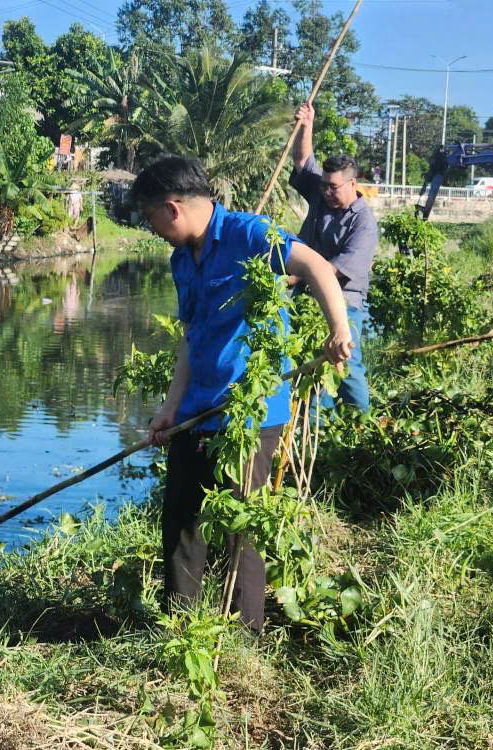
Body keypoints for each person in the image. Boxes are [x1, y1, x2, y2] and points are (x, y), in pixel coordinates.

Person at [138, 156, 353, 632]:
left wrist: (338, 327)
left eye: (150, 218)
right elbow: (191, 339)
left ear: (172, 209)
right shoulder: (181, 260)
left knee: (241, 528)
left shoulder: (248, 235)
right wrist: (170, 408)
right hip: (198, 413)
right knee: (181, 521)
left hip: (250, 413)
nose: (151, 229)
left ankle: (244, 640)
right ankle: (182, 629)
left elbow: (315, 266)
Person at [289, 101, 378, 413]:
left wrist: (296, 275)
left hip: (344, 299)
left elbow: (332, 271)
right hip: (308, 293)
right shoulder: (321, 192)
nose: (326, 192)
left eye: (334, 187)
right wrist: (307, 124)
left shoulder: (363, 222)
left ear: (353, 184)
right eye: (324, 186)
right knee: (307, 360)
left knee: (345, 360)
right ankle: (312, 421)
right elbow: (302, 160)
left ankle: (360, 423)